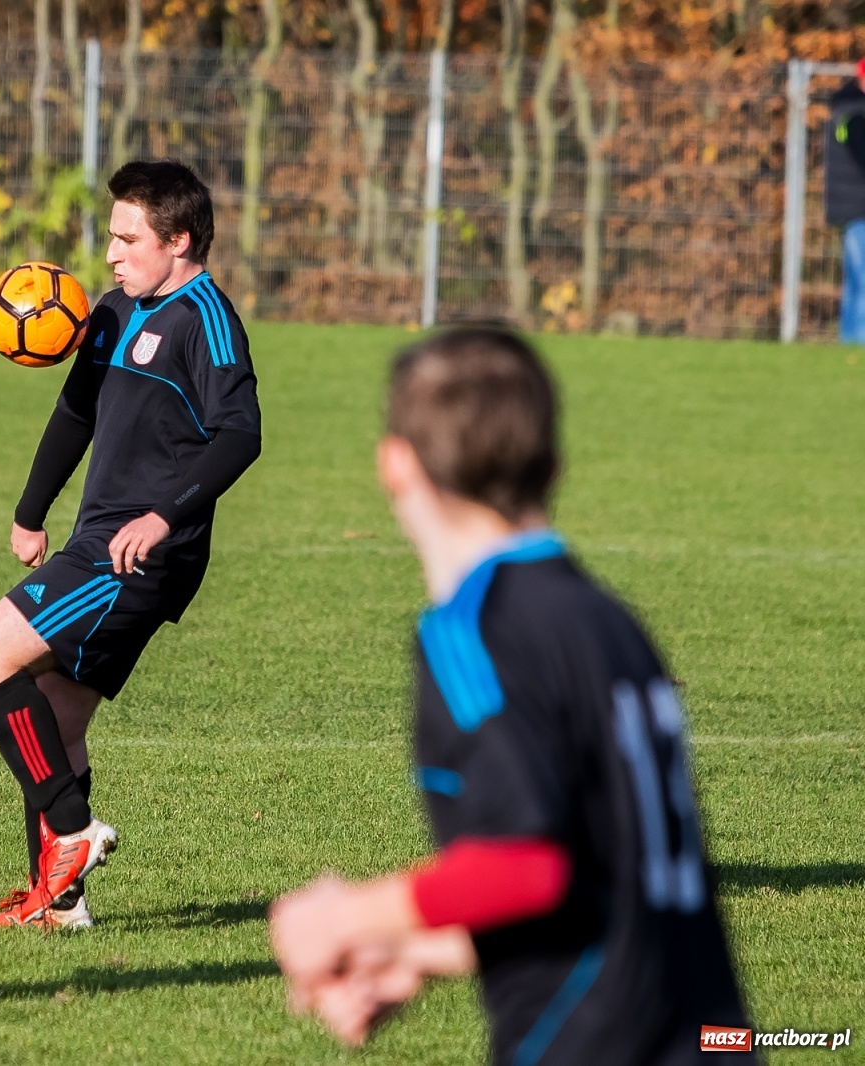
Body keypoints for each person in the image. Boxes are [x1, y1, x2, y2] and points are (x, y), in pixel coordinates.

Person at [270, 328, 750, 1063]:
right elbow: (597, 882)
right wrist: (417, 953)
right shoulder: (608, 619)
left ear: (395, 465)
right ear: (553, 467)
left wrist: (345, 918)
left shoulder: (472, 631)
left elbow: (526, 865)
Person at [0, 160, 263, 929]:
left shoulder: (207, 321)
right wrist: (30, 513)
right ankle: (61, 905)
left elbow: (241, 435)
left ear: (180, 240)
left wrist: (162, 517)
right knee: (57, 720)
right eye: (112, 237)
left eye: (129, 239)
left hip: (139, 556)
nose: (114, 253)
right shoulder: (114, 312)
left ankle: (71, 831)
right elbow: (74, 416)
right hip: (99, 536)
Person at [825, 59, 865, 343]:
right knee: (861, 281)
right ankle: (857, 341)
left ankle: (849, 343)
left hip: (853, 209)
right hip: (859, 209)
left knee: (855, 282)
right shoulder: (854, 115)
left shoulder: (846, 110)